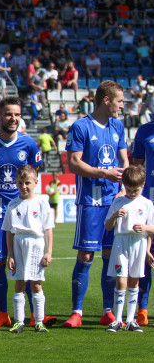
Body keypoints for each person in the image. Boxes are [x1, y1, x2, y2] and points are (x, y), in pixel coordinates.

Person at [0, 97, 51, 329]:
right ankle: (3, 314)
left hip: (24, 213)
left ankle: (33, 315)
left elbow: (32, 174)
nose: (13, 118)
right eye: (8, 114)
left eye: (17, 114)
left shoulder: (28, 144)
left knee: (28, 262)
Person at [62, 81, 128, 328]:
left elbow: (123, 159)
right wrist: (104, 174)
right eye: (120, 101)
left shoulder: (118, 126)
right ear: (107, 100)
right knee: (87, 255)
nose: (122, 106)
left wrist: (124, 184)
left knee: (110, 256)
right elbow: (74, 164)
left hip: (114, 201)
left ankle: (107, 311)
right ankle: (76, 312)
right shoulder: (80, 126)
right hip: (91, 201)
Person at [2, 165, 55, 334]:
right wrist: (10, 255)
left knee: (36, 283)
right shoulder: (13, 204)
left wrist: (49, 251)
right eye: (19, 183)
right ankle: (19, 321)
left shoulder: (42, 203)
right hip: (18, 243)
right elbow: (9, 232)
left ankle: (39, 321)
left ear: (35, 182)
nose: (23, 186)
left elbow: (48, 229)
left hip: (36, 243)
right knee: (19, 283)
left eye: (27, 183)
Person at [102, 165, 154, 333]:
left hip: (138, 244)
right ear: (124, 185)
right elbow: (108, 226)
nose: (131, 193)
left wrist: (145, 230)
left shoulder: (147, 204)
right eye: (129, 189)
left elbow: (152, 228)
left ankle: (131, 320)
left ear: (143, 185)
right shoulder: (118, 202)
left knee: (134, 281)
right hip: (121, 243)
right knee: (121, 280)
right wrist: (115, 216)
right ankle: (118, 320)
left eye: (135, 190)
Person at [131, 116, 154, 325]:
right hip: (149, 199)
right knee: (146, 256)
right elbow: (136, 166)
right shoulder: (145, 131)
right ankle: (143, 309)